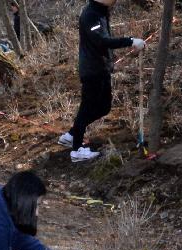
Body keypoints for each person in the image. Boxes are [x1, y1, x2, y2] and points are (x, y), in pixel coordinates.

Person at [60, 0, 145, 162]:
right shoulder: (91, 14)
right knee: (86, 108)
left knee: (104, 107)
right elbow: (102, 40)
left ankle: (72, 134)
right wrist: (130, 41)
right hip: (92, 70)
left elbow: (103, 43)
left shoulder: (101, 11)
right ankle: (76, 150)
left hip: (101, 69)